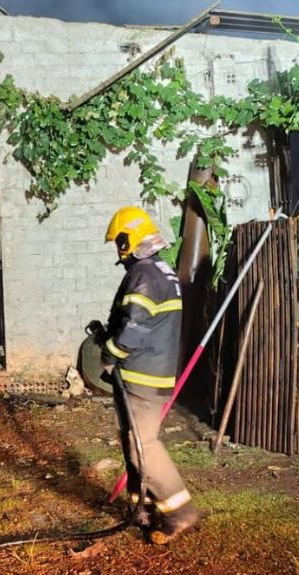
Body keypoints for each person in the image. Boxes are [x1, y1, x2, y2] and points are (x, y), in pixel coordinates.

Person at [100, 205, 201, 545]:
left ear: (128, 241)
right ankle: (140, 508)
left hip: (142, 374)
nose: (118, 251)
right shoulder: (163, 271)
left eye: (119, 243)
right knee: (132, 439)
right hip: (151, 371)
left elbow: (135, 325)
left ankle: (180, 511)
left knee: (141, 443)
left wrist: (110, 355)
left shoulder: (143, 274)